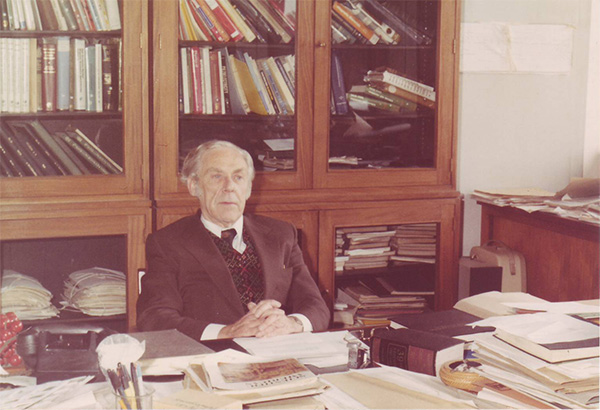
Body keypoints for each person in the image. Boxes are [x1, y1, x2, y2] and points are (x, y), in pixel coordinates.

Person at [137, 140, 330, 340]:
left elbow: (317, 308)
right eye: (217, 177)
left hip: (277, 355)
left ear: (247, 189)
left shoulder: (281, 235)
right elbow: (154, 318)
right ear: (194, 186)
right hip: (211, 359)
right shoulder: (168, 243)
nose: (229, 187)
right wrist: (225, 332)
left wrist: (291, 323)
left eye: (238, 177)